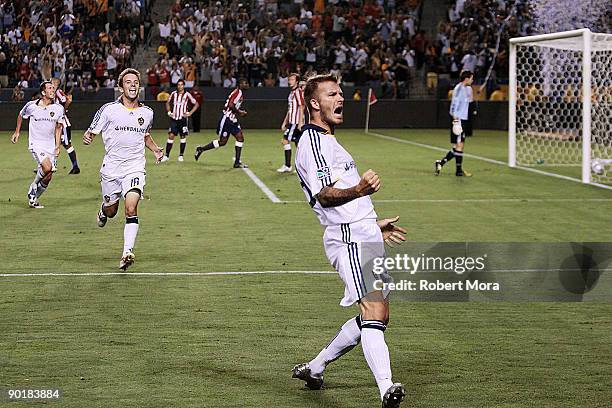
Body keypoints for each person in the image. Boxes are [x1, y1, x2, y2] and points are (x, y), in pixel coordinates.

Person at [292, 73, 408, 408]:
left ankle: (316, 367)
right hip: (348, 238)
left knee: (379, 315)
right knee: (372, 309)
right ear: (314, 103)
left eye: (341, 93)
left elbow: (346, 196)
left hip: (364, 232)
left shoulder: (330, 140)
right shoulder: (311, 144)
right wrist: (359, 190)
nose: (340, 98)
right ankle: (386, 387)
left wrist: (374, 223)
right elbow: (324, 196)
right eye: (332, 94)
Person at [83, 68, 163, 271]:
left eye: (136, 81)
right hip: (111, 169)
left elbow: (144, 136)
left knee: (131, 208)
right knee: (112, 211)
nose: (133, 85)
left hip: (135, 167)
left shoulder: (147, 113)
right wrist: (89, 136)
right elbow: (92, 130)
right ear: (121, 87)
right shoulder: (108, 109)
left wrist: (155, 150)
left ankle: (127, 252)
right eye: (128, 82)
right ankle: (103, 208)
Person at [10, 81, 65, 208]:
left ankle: (34, 198)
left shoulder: (58, 108)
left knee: (48, 176)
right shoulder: (31, 106)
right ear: (43, 92)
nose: (53, 90)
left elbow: (58, 127)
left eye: (53, 88)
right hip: (36, 144)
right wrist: (17, 132)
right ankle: (33, 185)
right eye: (50, 88)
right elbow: (20, 115)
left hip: (50, 145)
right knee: (47, 167)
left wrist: (57, 146)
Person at [194, 78, 249, 168]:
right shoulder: (238, 93)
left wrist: (239, 111)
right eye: (245, 83)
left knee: (240, 138)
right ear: (240, 84)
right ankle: (201, 149)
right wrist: (240, 112)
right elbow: (231, 105)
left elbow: (232, 105)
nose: (247, 85)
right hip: (227, 119)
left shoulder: (239, 93)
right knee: (222, 142)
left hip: (232, 119)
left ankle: (237, 162)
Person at [435, 70, 473, 177]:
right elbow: (453, 106)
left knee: (458, 146)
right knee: (460, 146)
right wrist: (456, 121)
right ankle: (458, 171)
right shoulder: (458, 89)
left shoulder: (468, 89)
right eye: (471, 78)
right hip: (458, 120)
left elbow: (470, 101)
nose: (472, 80)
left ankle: (441, 163)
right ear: (466, 79)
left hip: (464, 120)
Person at [161, 79, 199, 162]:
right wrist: (169, 112)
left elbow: (196, 104)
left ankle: (181, 155)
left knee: (182, 136)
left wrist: (190, 113)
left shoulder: (187, 95)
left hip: (183, 119)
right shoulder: (174, 94)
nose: (180, 86)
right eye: (178, 85)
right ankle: (166, 155)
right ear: (177, 86)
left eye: (181, 85)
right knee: (171, 136)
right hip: (174, 118)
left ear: (184, 86)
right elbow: (167, 102)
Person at [51, 77, 80, 174]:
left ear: (56, 84)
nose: (52, 85)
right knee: (55, 143)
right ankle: (47, 165)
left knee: (65, 144)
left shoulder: (58, 92)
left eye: (53, 83)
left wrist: (64, 110)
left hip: (63, 124)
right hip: (57, 124)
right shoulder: (52, 94)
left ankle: (74, 166)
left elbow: (67, 100)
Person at [277, 73, 304, 173]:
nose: (290, 81)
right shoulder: (292, 93)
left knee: (285, 140)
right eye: (289, 79)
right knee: (299, 145)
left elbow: (302, 107)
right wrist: (285, 122)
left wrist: (300, 123)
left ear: (297, 81)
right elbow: (290, 109)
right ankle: (302, 168)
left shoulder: (297, 92)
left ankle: (288, 165)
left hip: (295, 122)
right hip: (292, 121)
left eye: (292, 79)